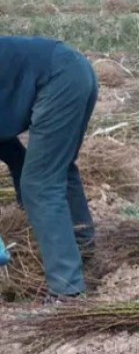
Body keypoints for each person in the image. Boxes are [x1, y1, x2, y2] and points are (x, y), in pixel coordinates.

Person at [0, 37, 99, 300]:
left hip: (60, 79)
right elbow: (14, 156)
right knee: (57, 169)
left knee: (40, 184)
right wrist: (26, 215)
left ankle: (68, 292)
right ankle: (82, 248)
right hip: (74, 70)